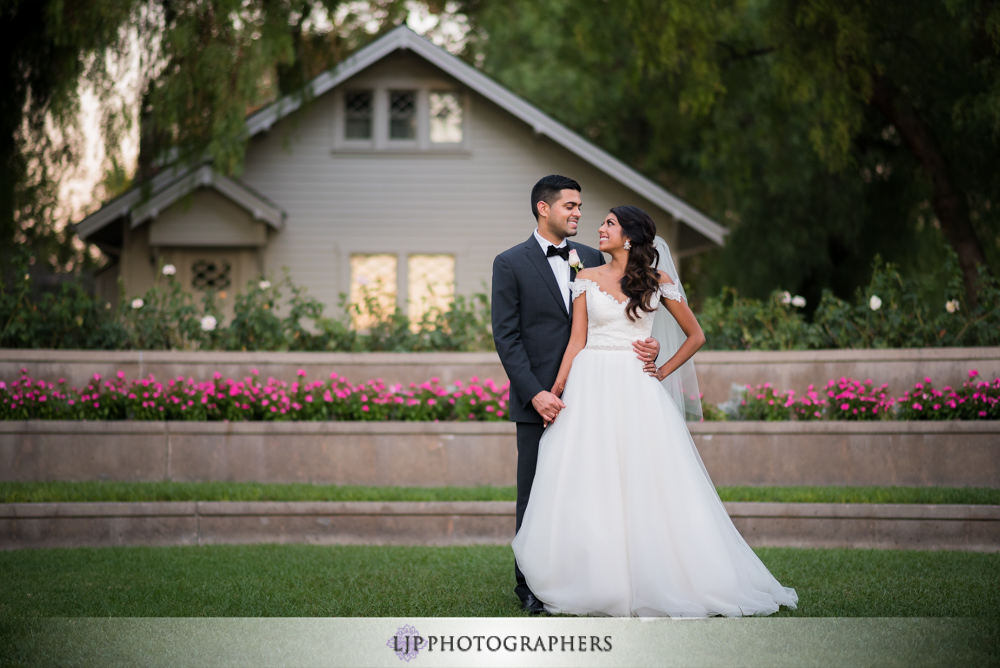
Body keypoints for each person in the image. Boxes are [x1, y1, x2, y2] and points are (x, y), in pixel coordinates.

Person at [511, 205, 798, 617]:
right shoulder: (585, 278)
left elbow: (696, 335)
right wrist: (554, 392)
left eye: (609, 223)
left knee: (646, 481)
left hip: (635, 386)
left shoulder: (659, 282)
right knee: (587, 480)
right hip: (588, 386)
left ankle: (659, 576)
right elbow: (576, 342)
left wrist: (660, 369)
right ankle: (591, 576)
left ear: (629, 237)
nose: (600, 228)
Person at [491, 176, 661, 614]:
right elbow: (506, 338)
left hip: (596, 397)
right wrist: (535, 394)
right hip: (538, 400)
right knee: (535, 492)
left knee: (593, 491)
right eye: (569, 206)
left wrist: (648, 343)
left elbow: (631, 312)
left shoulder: (592, 258)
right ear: (542, 208)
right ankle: (529, 587)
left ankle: (587, 579)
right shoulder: (509, 263)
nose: (578, 214)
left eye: (581, 207)